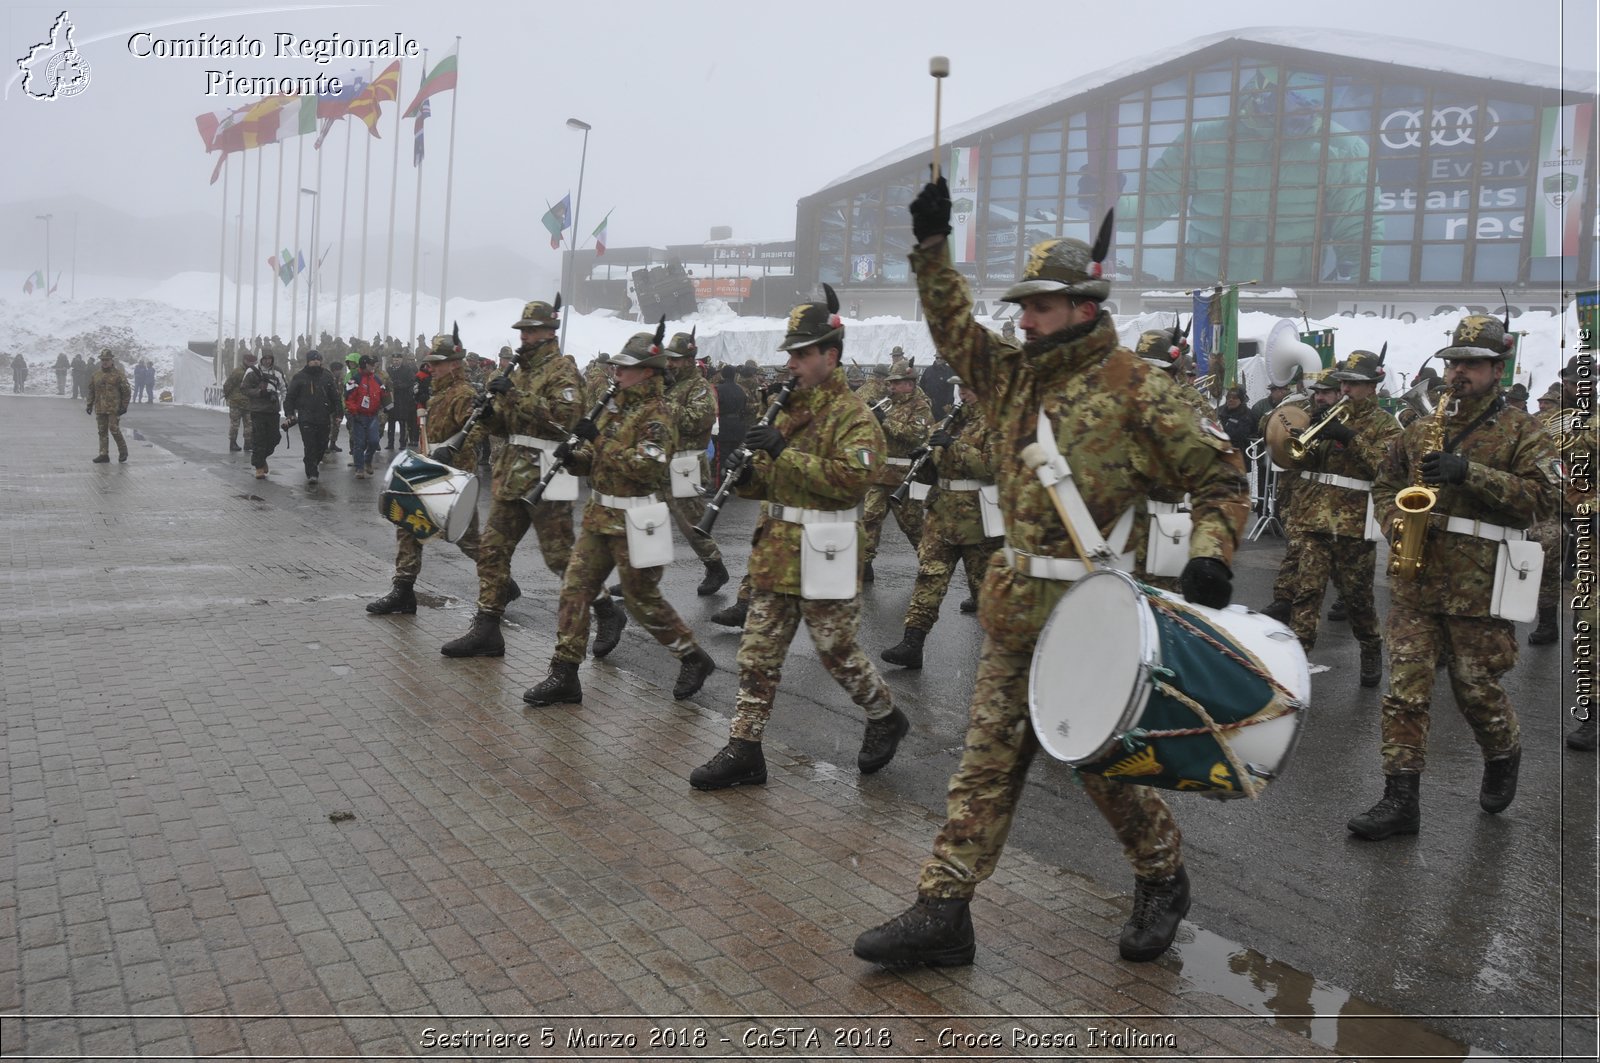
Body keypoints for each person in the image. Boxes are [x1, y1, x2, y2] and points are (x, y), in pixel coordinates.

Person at [854, 179, 1249, 968]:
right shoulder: (1011, 375)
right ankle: (945, 907)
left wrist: (1212, 550)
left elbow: (1224, 479)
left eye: (1038, 306)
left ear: (1084, 306)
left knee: (1099, 762)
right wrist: (931, 250)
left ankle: (1163, 873)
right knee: (987, 758)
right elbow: (954, 327)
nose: (1023, 319)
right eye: (1021, 306)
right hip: (1013, 605)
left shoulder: (1141, 389)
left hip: (1093, 611)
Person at [1347, 315, 1559, 840]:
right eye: (1453, 362)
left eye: (1471, 363)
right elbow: (1385, 481)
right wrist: (1396, 522)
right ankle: (1400, 800)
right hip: (1417, 582)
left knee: (1475, 689)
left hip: (1481, 586)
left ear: (1496, 369)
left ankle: (1503, 751)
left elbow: (1545, 499)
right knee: (1405, 691)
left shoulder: (1522, 430)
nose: (1458, 372)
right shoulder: (1419, 428)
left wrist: (1470, 472)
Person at [689, 286, 904, 791]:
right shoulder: (785, 408)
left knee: (836, 650)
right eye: (791, 354)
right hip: (777, 551)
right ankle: (745, 748)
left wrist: (784, 450)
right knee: (758, 654)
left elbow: (851, 480)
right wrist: (745, 475)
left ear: (831, 355)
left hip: (827, 548)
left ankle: (884, 715)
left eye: (803, 354)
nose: (793, 363)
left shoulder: (856, 416)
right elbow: (770, 480)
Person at [522, 330, 716, 707]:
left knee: (642, 598)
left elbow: (644, 467)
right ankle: (564, 673)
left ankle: (692, 656)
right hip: (601, 515)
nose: (617, 372)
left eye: (625, 367)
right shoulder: (615, 407)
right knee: (575, 588)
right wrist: (574, 456)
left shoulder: (658, 415)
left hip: (639, 517)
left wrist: (599, 441)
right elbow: (597, 460)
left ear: (646, 371)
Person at [440, 298, 599, 659]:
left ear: (548, 332)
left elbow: (566, 418)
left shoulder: (563, 371)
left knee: (560, 560)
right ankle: (487, 627)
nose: (524, 337)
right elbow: (510, 425)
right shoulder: (520, 371)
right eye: (522, 331)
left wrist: (516, 396)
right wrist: (491, 413)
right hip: (513, 475)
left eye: (530, 331)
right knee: (492, 552)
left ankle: (605, 609)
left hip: (549, 473)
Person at [1279, 351, 1401, 686]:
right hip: (1313, 517)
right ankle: (1296, 661)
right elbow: (1297, 457)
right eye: (1344, 382)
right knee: (1307, 591)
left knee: (1357, 598)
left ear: (1373, 387)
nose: (1346, 388)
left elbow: (1383, 468)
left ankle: (1370, 645)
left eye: (1354, 384)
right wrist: (1311, 431)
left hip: (1352, 523)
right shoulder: (1325, 414)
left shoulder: (1385, 425)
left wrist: (1349, 437)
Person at [880, 379, 1001, 669]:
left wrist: (954, 447)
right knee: (929, 577)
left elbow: (993, 467)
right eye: (960, 387)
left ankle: (1007, 655)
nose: (962, 392)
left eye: (968, 386)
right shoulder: (947, 422)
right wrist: (924, 464)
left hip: (978, 520)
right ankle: (913, 643)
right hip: (942, 514)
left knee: (987, 589)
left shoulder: (997, 422)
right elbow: (933, 474)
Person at [368, 335, 484, 615]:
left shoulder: (464, 393)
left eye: (438, 363)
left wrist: (452, 449)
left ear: (454, 365)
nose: (431, 367)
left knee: (469, 542)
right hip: (432, 469)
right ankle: (403, 591)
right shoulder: (438, 391)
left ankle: (501, 583)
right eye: (430, 362)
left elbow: (477, 429)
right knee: (407, 523)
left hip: (453, 476)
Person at [655, 330, 730, 597]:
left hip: (685, 463)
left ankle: (715, 567)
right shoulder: (669, 384)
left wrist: (664, 405)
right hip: (661, 461)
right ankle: (643, 575)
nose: (670, 364)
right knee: (648, 519)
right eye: (669, 359)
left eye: (675, 360)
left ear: (689, 359)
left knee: (691, 523)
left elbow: (698, 420)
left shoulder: (699, 388)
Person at [861, 356, 932, 582]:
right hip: (881, 473)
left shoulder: (921, 406)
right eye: (889, 383)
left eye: (895, 383)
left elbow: (915, 436)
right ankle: (864, 564)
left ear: (909, 384)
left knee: (913, 527)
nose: (890, 386)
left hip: (904, 478)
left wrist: (885, 422)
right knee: (869, 519)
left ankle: (931, 565)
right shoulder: (888, 403)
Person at [281, 350, 340, 483]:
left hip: (323, 417)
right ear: (308, 361)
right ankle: (312, 472)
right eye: (313, 360)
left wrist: (338, 412)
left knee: (322, 445)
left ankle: (311, 461)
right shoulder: (299, 377)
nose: (316, 361)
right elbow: (290, 397)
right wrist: (289, 413)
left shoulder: (327, 376)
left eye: (318, 359)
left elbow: (335, 396)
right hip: (306, 417)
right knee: (310, 445)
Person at [241, 351, 286, 479]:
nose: (267, 361)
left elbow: (284, 388)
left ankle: (262, 458)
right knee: (259, 439)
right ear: (261, 359)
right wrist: (260, 392)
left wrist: (286, 404)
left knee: (275, 438)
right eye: (265, 358)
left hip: (272, 410)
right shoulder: (252, 371)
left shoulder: (278, 372)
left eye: (270, 359)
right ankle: (259, 467)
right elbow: (244, 388)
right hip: (258, 410)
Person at [344, 355, 389, 478]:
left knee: (374, 441)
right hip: (359, 416)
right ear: (364, 365)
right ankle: (359, 468)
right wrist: (354, 412)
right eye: (371, 364)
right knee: (359, 443)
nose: (373, 366)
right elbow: (348, 398)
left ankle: (367, 460)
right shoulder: (355, 380)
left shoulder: (377, 380)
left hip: (373, 416)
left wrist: (388, 406)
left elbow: (385, 394)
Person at [85, 348, 131, 463]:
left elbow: (126, 391)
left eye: (107, 359)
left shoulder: (118, 375)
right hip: (100, 408)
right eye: (103, 360)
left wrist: (124, 406)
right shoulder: (96, 375)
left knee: (114, 429)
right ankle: (103, 454)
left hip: (113, 408)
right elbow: (91, 390)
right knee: (102, 431)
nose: (104, 362)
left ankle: (123, 451)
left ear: (112, 360)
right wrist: (89, 404)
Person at [223, 352, 255, 453]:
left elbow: (227, 385)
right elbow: (228, 385)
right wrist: (229, 396)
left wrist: (228, 396)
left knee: (248, 424)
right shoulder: (239, 372)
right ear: (245, 361)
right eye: (251, 362)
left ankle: (247, 443)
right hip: (237, 403)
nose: (253, 363)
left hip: (245, 402)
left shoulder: (250, 371)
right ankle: (234, 443)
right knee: (237, 424)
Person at [386, 352, 418, 451]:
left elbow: (412, 382)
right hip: (392, 398)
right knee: (391, 422)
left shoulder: (407, 370)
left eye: (397, 360)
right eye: (394, 360)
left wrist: (402, 385)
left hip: (403, 399)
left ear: (401, 360)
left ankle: (402, 443)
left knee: (402, 422)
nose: (395, 362)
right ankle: (390, 443)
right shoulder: (389, 370)